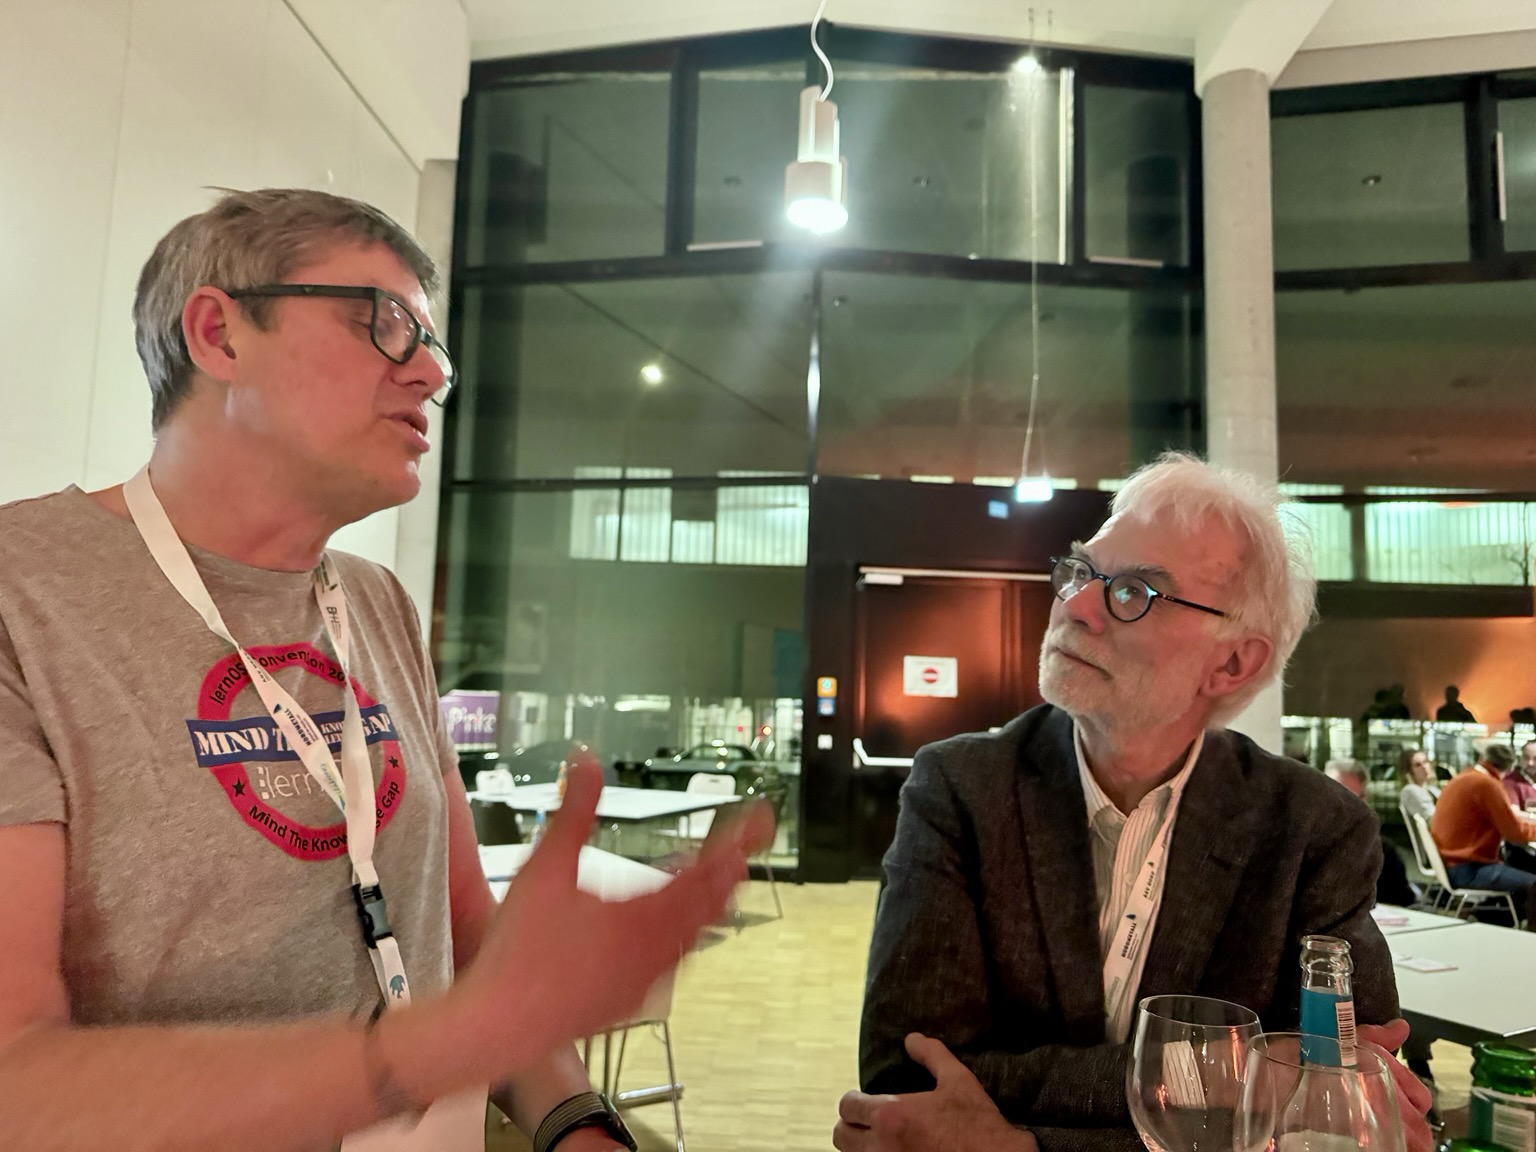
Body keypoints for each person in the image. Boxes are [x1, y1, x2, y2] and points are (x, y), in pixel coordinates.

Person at [0, 188, 770, 1152]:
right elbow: (16, 1081)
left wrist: (578, 1124)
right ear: (219, 335)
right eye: (388, 322)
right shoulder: (23, 595)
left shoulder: (373, 602)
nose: (433, 374)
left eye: (434, 343)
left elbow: (460, 927)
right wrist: (427, 1053)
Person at [835, 454, 1431, 1152]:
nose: (1075, 606)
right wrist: (1242, 1082)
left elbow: (1350, 1108)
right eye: (1081, 572)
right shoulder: (962, 787)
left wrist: (1019, 1146)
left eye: (1133, 593)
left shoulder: (1311, 831)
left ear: (1232, 662)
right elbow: (908, 1081)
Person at [1430, 742, 1536, 927]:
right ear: (1510, 767)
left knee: (1521, 867)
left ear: (1482, 758)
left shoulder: (1464, 777)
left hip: (1451, 864)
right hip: (1468, 869)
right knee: (1534, 884)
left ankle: (1500, 919)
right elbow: (1513, 832)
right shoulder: (1487, 785)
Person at [1397, 746, 1439, 827]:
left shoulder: (1431, 789)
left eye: (1425, 762)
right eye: (1418, 765)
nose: (1424, 767)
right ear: (1409, 771)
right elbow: (1432, 818)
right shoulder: (1410, 791)